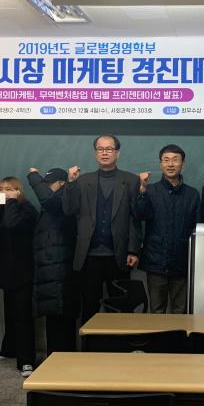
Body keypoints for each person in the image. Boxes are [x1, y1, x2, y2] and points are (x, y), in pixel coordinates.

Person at [62, 135, 141, 323]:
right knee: (89, 307)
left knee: (121, 308)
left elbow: (135, 218)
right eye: (100, 149)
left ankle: (120, 342)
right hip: (89, 255)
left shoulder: (131, 180)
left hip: (119, 255)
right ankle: (90, 342)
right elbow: (69, 210)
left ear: (117, 153)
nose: (105, 153)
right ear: (95, 153)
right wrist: (70, 183)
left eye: (109, 149)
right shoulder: (82, 181)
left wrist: (133, 250)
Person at [136, 144, 201, 314]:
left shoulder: (192, 194)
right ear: (160, 164)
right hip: (156, 261)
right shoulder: (150, 191)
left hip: (182, 261)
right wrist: (142, 191)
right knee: (157, 310)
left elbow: (197, 227)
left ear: (183, 164)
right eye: (166, 160)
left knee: (180, 311)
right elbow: (140, 215)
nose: (170, 164)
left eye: (175, 160)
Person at [0, 177, 38, 377]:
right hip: (6, 271)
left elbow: (11, 224)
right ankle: (9, 349)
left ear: (18, 192)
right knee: (9, 312)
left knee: (22, 316)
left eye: (9, 189)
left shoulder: (27, 209)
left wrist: (10, 203)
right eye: (1, 189)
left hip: (23, 271)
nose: (4, 193)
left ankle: (27, 360)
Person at [28, 167, 78, 355]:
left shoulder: (64, 198)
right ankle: (56, 360)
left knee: (61, 320)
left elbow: (49, 200)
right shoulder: (55, 201)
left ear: (62, 183)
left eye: (50, 184)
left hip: (60, 272)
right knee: (55, 319)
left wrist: (34, 177)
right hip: (52, 272)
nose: (47, 187)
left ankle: (60, 362)